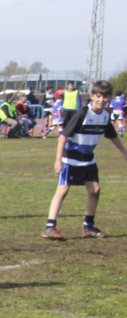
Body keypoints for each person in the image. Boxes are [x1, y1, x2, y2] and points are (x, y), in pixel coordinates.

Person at [42, 80, 127, 241]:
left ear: (109, 97)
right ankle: (49, 226)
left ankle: (88, 226)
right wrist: (58, 160)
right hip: (70, 159)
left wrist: (124, 152)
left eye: (105, 96)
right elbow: (63, 136)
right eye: (98, 96)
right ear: (93, 96)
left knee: (95, 190)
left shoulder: (105, 114)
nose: (101, 99)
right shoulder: (82, 113)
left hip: (88, 160)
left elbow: (111, 135)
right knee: (63, 189)